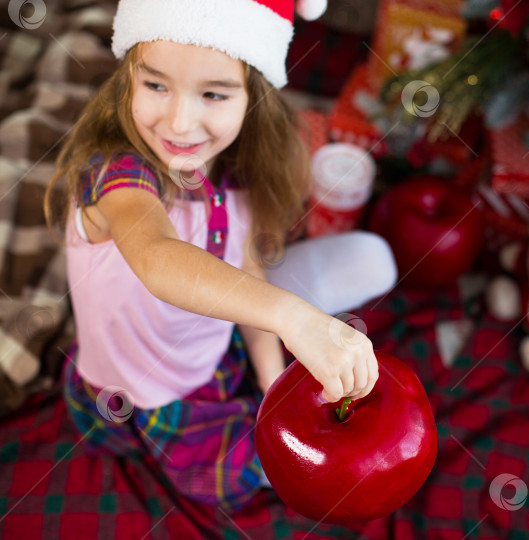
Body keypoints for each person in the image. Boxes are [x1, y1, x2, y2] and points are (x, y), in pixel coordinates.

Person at [44, 0, 397, 511]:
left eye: (213, 93)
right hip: (141, 389)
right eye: (156, 85)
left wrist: (271, 381)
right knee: (235, 479)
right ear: (127, 80)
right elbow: (158, 257)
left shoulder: (238, 174)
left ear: (253, 96)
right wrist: (295, 317)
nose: (179, 121)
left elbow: (247, 270)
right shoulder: (118, 177)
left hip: (209, 351)